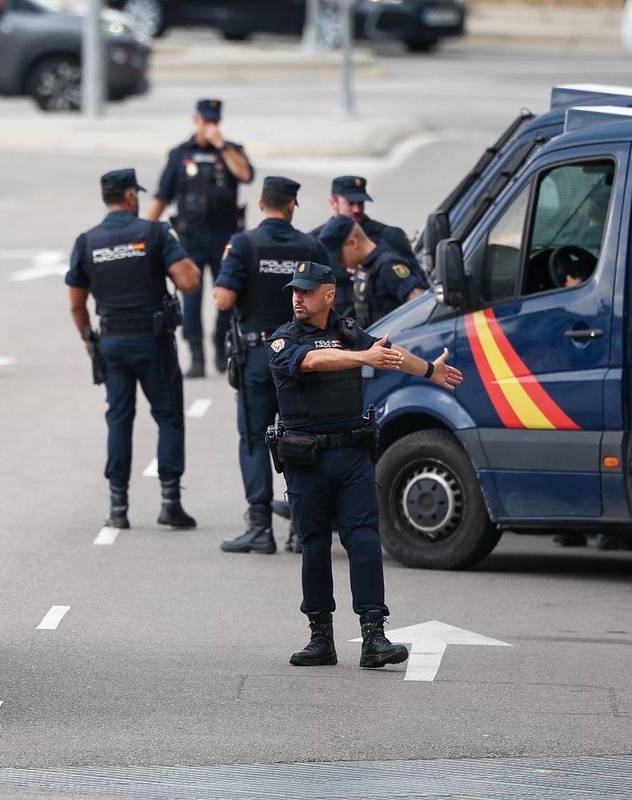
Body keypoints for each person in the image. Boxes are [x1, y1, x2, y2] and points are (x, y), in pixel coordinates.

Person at [268, 261, 462, 669]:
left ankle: (374, 636)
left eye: (305, 290)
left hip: (352, 455)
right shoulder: (285, 339)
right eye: (294, 291)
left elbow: (387, 353)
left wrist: (429, 370)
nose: (297, 297)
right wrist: (361, 357)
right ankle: (321, 638)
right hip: (307, 459)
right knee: (316, 546)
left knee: (364, 541)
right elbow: (311, 363)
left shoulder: (348, 332)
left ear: (329, 295)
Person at [66, 169, 202, 531]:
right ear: (129, 197)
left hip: (111, 342)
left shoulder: (87, 240)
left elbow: (77, 304)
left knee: (119, 418)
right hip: (153, 341)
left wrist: (88, 339)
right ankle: (170, 502)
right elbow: (189, 282)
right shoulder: (154, 233)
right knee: (168, 416)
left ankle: (118, 507)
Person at [213, 176, 329, 555]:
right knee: (301, 437)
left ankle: (260, 526)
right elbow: (327, 299)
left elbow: (224, 300)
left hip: (259, 356)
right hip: (302, 355)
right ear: (292, 205)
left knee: (254, 438)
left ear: (262, 204)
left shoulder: (244, 244)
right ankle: (301, 525)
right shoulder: (311, 246)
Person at [146, 98, 254, 379]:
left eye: (214, 121)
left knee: (226, 296)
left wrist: (222, 145)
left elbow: (246, 174)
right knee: (191, 299)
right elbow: (162, 195)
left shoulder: (232, 152)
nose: (210, 126)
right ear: (196, 120)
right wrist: (143, 231)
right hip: (191, 238)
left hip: (225, 237)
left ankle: (221, 344)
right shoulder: (180, 154)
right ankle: (196, 355)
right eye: (206, 121)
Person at [318, 215, 428, 329]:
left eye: (340, 257)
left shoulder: (387, 265)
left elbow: (421, 303)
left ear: (353, 242)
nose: (340, 263)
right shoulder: (365, 267)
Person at [312, 176, 417, 266]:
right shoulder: (316, 241)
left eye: (360, 203)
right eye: (350, 203)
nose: (357, 209)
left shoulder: (389, 236)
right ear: (333, 202)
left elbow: (413, 275)